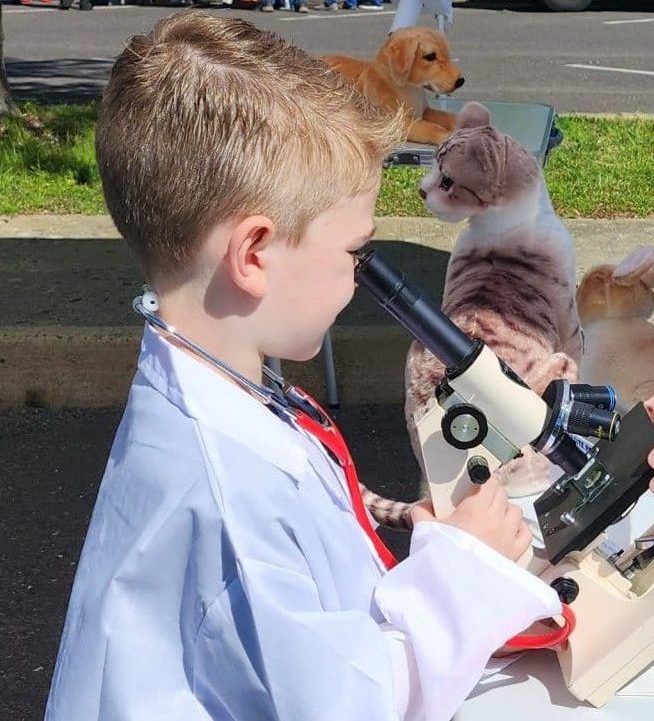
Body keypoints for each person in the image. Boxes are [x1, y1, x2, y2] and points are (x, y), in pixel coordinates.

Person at [43, 10, 654, 721]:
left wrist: (440, 542)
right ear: (254, 255)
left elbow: (310, 612)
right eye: (355, 252)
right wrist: (461, 573)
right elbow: (350, 701)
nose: (363, 274)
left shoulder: (219, 386)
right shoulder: (226, 490)